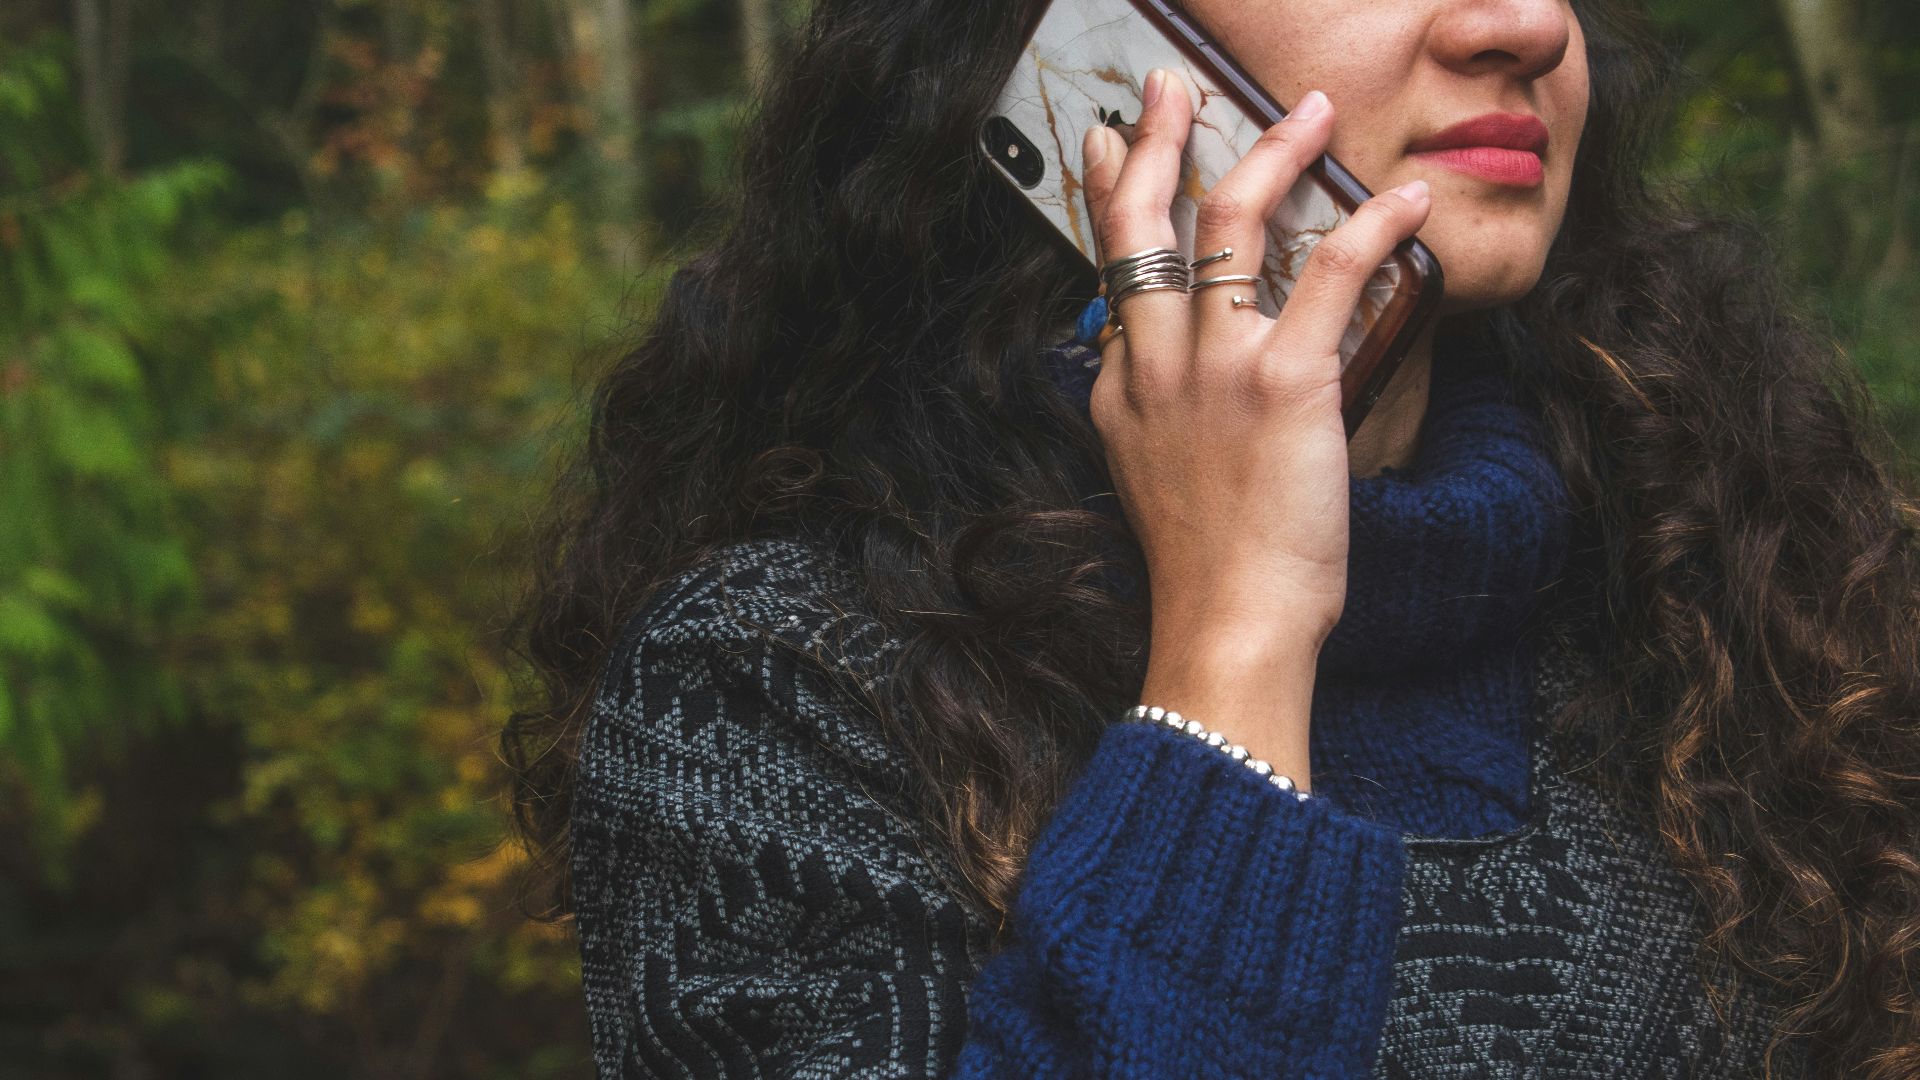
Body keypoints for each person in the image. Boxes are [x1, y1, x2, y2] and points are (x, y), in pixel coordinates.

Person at [502, 0, 1920, 1075]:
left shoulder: (1762, 593)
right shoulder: (776, 682)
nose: (1526, 26)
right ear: (1095, 50)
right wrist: (1237, 638)